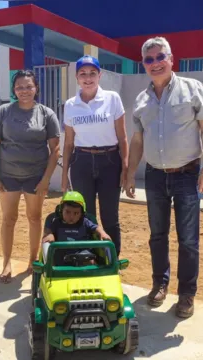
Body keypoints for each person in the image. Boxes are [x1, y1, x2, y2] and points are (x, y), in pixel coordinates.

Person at [124, 37, 203, 319]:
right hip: (154, 177)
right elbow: (137, 141)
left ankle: (187, 294)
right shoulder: (141, 100)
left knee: (188, 240)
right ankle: (159, 285)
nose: (155, 63)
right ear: (144, 64)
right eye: (149, 59)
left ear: (171, 58)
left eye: (159, 56)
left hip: (188, 175)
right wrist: (129, 173)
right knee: (157, 236)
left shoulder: (192, 89)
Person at [0, 69, 61, 283]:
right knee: (8, 218)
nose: (24, 90)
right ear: (14, 90)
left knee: (34, 217)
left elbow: (55, 149)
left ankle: (32, 260)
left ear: (36, 88)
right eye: (19, 87)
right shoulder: (3, 112)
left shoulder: (47, 114)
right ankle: (6, 263)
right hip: (7, 174)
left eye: (29, 86)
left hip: (35, 176)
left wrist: (46, 179)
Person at [61, 55, 128, 257]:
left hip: (109, 161)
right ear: (76, 77)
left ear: (100, 75)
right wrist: (64, 174)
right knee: (86, 214)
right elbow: (69, 142)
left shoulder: (112, 99)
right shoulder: (70, 105)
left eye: (92, 73)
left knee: (110, 216)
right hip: (81, 161)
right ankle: (89, 255)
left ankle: (112, 259)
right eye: (83, 74)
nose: (87, 78)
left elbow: (123, 138)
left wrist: (125, 168)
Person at [42, 191, 111, 266]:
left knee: (91, 261)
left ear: (82, 214)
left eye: (76, 213)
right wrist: (49, 234)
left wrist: (102, 233)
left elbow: (96, 227)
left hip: (82, 253)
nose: (71, 217)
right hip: (62, 254)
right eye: (68, 212)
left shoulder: (85, 222)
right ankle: (50, 273)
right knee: (52, 257)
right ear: (61, 210)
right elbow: (48, 230)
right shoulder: (56, 222)